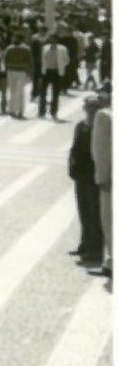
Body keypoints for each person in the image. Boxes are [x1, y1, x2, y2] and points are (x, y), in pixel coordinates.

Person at [69, 96, 105, 268]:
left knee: (94, 214)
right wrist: (72, 168)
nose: (89, 110)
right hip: (80, 176)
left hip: (93, 177)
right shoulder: (81, 127)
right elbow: (74, 149)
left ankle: (95, 249)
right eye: (87, 107)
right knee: (83, 212)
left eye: (93, 107)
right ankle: (84, 244)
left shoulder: (101, 129)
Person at [92, 97, 113, 280]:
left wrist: (102, 176)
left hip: (111, 179)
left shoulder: (105, 117)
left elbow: (100, 149)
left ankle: (112, 261)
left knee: (109, 220)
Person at [39, 34, 71, 120]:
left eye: (53, 39)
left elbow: (67, 60)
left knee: (55, 93)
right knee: (43, 92)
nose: (51, 41)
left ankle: (53, 112)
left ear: (56, 40)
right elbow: (42, 59)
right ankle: (42, 111)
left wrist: (61, 66)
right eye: (50, 39)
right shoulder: (45, 48)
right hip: (46, 71)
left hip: (56, 72)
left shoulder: (62, 49)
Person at [3, 32, 35, 119]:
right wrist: (30, 72)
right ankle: (17, 111)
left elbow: (4, 59)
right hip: (19, 71)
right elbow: (30, 61)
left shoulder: (10, 48)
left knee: (14, 91)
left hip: (14, 71)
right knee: (18, 91)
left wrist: (5, 69)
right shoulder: (24, 48)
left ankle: (14, 110)